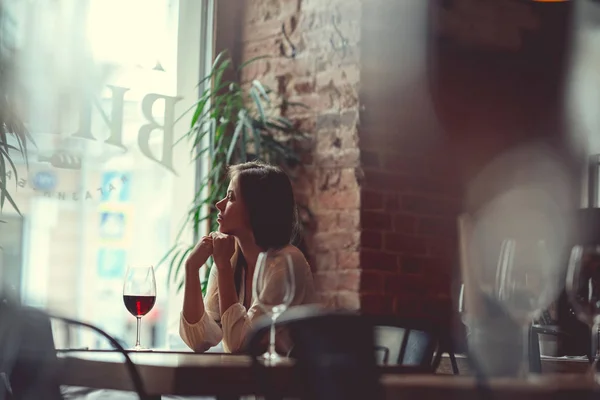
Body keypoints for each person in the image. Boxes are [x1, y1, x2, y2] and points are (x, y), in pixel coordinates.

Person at [180, 161, 318, 353]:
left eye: (231, 197)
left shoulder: (286, 262)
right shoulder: (231, 257)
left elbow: (241, 344)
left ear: (257, 208)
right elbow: (199, 340)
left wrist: (223, 268)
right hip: (249, 379)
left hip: (289, 380)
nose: (219, 205)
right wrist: (191, 268)